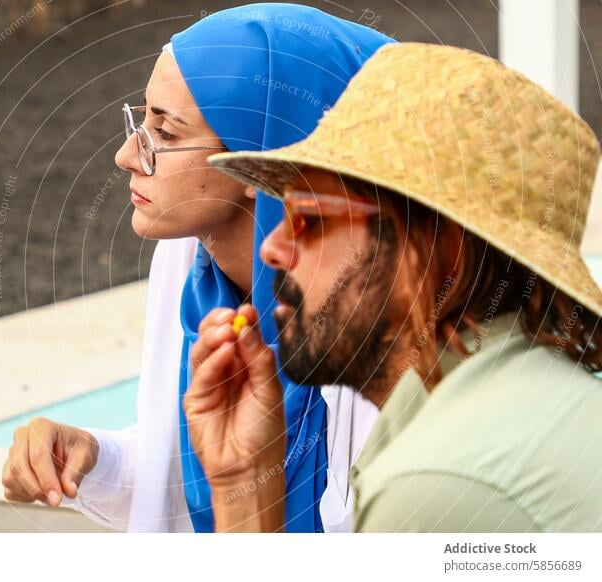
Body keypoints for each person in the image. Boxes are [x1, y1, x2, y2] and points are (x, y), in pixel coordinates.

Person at [1, 4, 393, 531]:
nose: (125, 155)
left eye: (165, 133)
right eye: (141, 120)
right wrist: (92, 457)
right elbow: (188, 464)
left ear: (261, 160)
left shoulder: (377, 320)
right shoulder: (188, 263)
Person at [186, 42, 602, 532]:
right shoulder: (515, 402)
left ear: (433, 250)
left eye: (309, 218)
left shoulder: (440, 484)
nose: (271, 248)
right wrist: (246, 479)